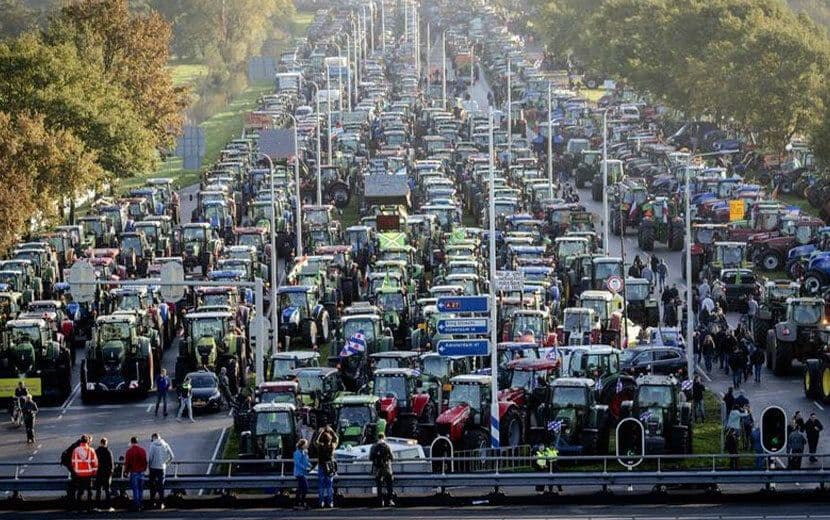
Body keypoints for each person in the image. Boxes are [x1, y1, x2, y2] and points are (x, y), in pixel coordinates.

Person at [71, 434, 99, 512]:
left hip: (79, 474)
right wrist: (94, 472)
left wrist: (76, 470)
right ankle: (89, 508)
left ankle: (79, 508)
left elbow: (73, 462)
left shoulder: (76, 450)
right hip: (88, 474)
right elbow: (95, 463)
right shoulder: (91, 450)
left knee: (80, 491)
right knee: (89, 491)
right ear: (87, 441)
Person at [147, 432, 175, 510]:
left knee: (152, 485)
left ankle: (152, 502)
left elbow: (150, 458)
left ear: (153, 438)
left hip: (153, 468)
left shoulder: (152, 445)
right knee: (161, 485)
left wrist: (149, 467)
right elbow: (172, 456)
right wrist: (166, 463)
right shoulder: (165, 444)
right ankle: (161, 503)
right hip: (162, 468)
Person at [315, 425, 338, 508]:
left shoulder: (320, 446)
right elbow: (336, 438)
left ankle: (321, 502)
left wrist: (320, 432)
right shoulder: (332, 446)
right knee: (329, 485)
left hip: (321, 465)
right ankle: (330, 502)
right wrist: (331, 430)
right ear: (330, 439)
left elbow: (315, 441)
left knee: (321, 485)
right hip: (329, 467)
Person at [369, 433, 395, 507]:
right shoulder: (387, 446)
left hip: (377, 469)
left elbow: (370, 458)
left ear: (377, 437)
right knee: (389, 483)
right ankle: (390, 500)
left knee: (379, 485)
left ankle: (380, 501)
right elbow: (392, 457)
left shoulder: (373, 446)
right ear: (384, 437)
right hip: (386, 468)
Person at [124, 437, 148, 512]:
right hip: (141, 473)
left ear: (131, 442)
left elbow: (127, 463)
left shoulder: (129, 451)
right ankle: (141, 504)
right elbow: (145, 462)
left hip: (134, 472)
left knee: (135, 490)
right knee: (141, 489)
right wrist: (144, 469)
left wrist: (126, 472)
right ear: (137, 442)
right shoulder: (143, 450)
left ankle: (136, 506)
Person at [95, 437, 114, 511]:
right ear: (106, 443)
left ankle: (97, 507)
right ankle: (109, 506)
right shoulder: (108, 451)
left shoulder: (96, 451)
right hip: (106, 474)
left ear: (100, 443)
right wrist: (110, 473)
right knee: (107, 490)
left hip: (99, 473)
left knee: (98, 491)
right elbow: (111, 464)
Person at [293, 439, 311, 510]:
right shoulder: (297, 453)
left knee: (300, 488)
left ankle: (298, 503)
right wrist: (305, 468)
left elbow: (306, 461)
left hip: (303, 473)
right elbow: (297, 463)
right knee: (305, 488)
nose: (306, 445)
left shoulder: (304, 452)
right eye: (305, 444)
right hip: (299, 473)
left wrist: (310, 465)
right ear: (302, 445)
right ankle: (301, 502)